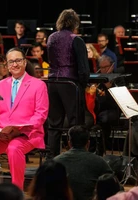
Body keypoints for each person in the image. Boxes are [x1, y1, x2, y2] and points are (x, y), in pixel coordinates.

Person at [0, 47, 49, 189]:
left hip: (27, 134)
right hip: (1, 134)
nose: (14, 65)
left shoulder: (38, 85)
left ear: (25, 62)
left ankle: (16, 192)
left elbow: (41, 115)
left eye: (18, 61)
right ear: (7, 65)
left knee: (14, 148)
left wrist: (19, 130)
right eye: (11, 62)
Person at [47, 8, 90, 158]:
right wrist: (84, 84)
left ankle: (51, 157)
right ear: (75, 23)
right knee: (75, 122)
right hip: (70, 84)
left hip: (52, 82)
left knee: (54, 124)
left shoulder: (51, 38)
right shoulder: (76, 39)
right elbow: (83, 68)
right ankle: (76, 157)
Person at [54, 125, 113, 200]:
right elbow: (114, 187)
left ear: (69, 143)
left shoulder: (55, 162)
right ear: (88, 143)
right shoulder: (99, 161)